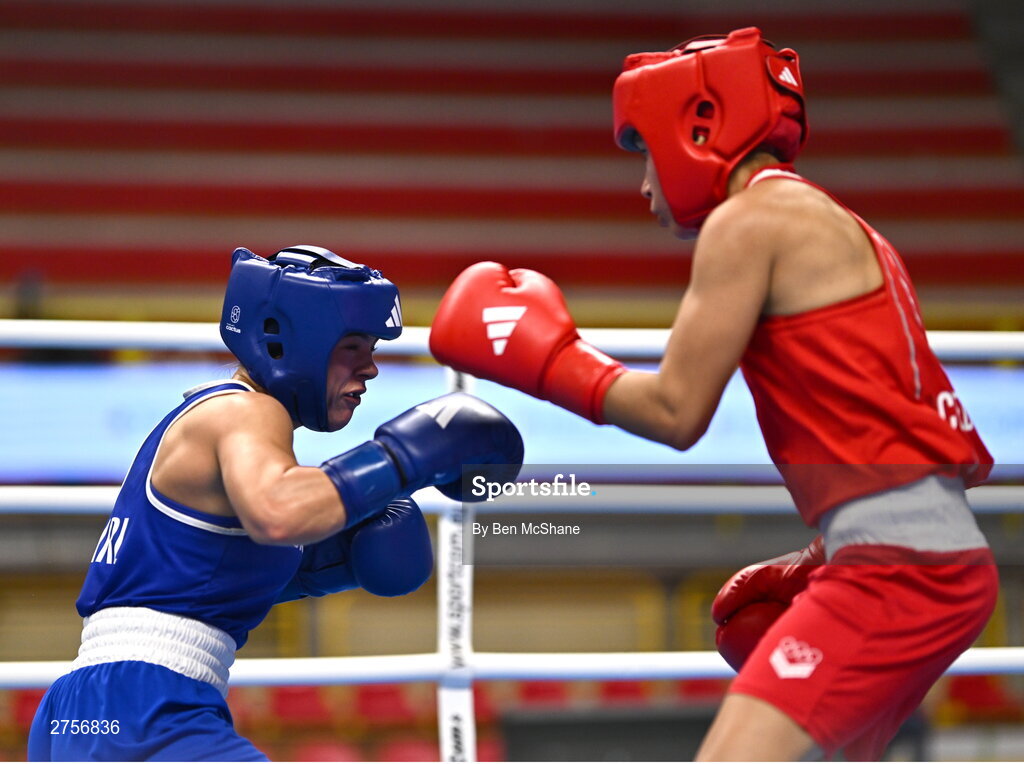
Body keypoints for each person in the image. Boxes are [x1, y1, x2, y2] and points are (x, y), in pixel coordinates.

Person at [428, 27, 997, 761]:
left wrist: (550, 361)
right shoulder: (844, 226)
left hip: (899, 565)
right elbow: (886, 423)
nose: (643, 185)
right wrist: (824, 554)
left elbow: (677, 411)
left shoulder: (749, 221)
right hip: (924, 553)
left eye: (643, 152)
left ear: (697, 126)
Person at [28, 245, 523, 761]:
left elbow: (194, 579)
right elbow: (278, 512)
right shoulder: (247, 412)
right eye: (354, 347)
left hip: (89, 711)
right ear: (292, 340)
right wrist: (404, 460)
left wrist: (322, 565)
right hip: (143, 707)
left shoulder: (216, 419)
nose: (372, 368)